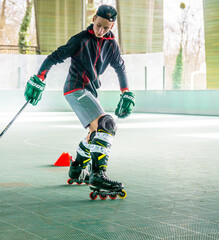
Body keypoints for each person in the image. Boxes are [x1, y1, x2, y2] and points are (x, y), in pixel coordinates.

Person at [24, 5, 135, 198]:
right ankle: (98, 175)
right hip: (75, 88)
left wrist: (126, 92)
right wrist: (40, 76)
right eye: (98, 25)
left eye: (106, 28)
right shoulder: (81, 39)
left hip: (89, 90)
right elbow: (55, 56)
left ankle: (77, 169)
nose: (100, 31)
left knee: (96, 132)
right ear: (93, 18)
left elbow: (120, 68)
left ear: (112, 27)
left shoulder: (112, 45)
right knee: (106, 125)